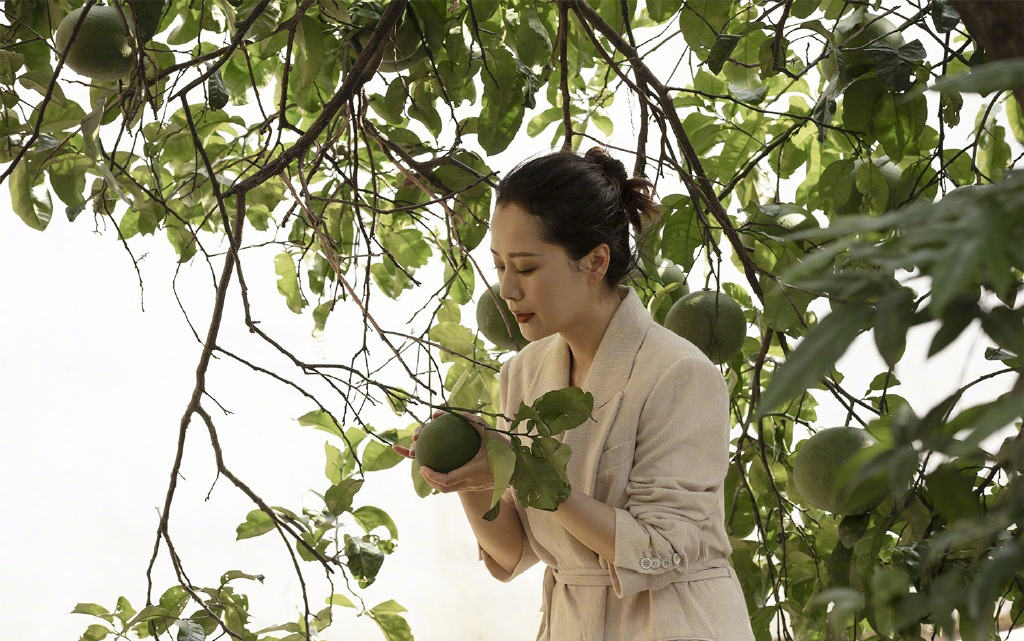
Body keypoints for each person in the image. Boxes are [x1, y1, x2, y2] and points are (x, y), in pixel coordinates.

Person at [392, 147, 756, 641]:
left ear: (595, 261)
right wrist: (476, 476)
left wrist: (524, 469)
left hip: (675, 622)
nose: (507, 289)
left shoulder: (679, 373)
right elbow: (517, 552)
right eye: (499, 266)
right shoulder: (524, 373)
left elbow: (664, 551)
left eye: (525, 267)